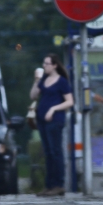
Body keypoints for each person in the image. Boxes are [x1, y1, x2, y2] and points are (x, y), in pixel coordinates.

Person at [28, 52, 74, 197]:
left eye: (47, 63)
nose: (44, 66)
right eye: (43, 63)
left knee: (55, 152)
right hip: (42, 120)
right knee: (48, 153)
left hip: (55, 120)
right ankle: (49, 185)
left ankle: (58, 184)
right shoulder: (44, 80)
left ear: (54, 65)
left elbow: (69, 101)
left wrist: (53, 109)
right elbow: (33, 96)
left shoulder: (61, 82)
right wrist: (36, 80)